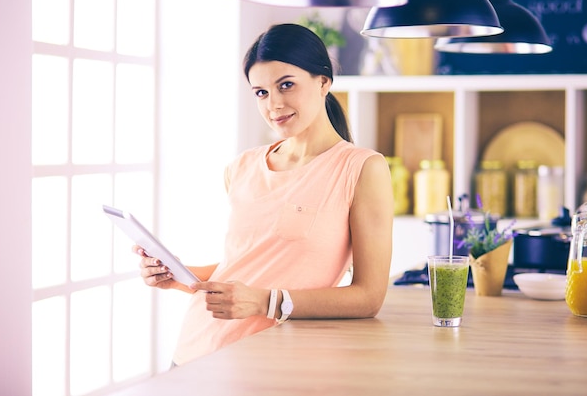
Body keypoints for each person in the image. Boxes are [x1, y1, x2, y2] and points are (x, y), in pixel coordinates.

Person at [135, 23, 394, 366]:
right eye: (260, 92)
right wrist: (180, 275)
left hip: (274, 364)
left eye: (286, 85)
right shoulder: (242, 167)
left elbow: (368, 298)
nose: (274, 104)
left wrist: (265, 302)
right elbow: (245, 264)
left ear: (323, 81)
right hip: (194, 354)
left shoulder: (362, 169)